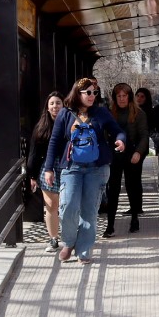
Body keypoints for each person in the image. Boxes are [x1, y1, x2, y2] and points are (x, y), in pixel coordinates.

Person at [41, 77, 127, 264]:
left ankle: (84, 249)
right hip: (71, 167)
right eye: (88, 92)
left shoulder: (101, 113)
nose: (92, 96)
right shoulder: (65, 113)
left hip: (97, 168)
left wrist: (120, 140)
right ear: (77, 93)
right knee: (68, 207)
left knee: (89, 211)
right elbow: (54, 141)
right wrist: (48, 168)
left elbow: (117, 130)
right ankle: (69, 242)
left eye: (94, 93)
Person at [103, 82, 149, 237]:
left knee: (132, 187)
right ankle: (110, 225)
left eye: (124, 96)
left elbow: (144, 136)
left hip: (132, 155)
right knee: (113, 190)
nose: (122, 99)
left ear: (129, 97)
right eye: (119, 96)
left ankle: (134, 218)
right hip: (114, 155)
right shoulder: (110, 113)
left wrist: (138, 152)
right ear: (115, 98)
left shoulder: (139, 113)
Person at [26, 91, 63, 250]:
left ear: (64, 105)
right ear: (47, 108)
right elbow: (33, 153)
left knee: (68, 205)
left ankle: (70, 237)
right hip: (47, 169)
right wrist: (32, 175)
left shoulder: (70, 123)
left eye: (58, 103)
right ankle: (53, 238)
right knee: (51, 205)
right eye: (52, 103)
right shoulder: (41, 127)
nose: (55, 106)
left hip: (68, 166)